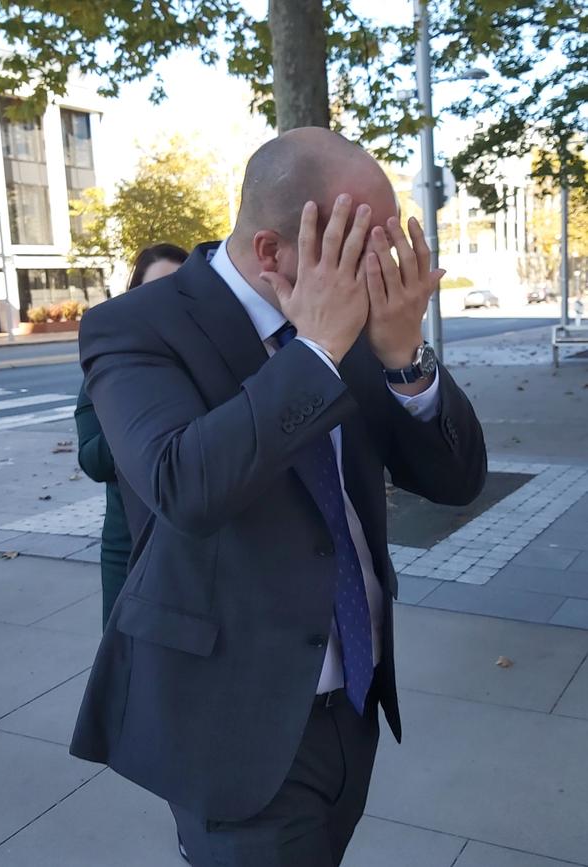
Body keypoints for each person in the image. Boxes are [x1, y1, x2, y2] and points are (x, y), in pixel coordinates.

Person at [70, 127, 486, 866]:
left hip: (352, 705)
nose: (381, 268)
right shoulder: (135, 326)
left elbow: (455, 481)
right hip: (236, 728)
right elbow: (183, 485)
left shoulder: (351, 319)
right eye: (360, 245)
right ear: (271, 252)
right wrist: (317, 352)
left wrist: (404, 358)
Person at [75, 243, 188, 629]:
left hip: (208, 553)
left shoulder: (215, 359)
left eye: (175, 291)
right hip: (132, 549)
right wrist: (138, 432)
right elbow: (91, 457)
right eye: (150, 293)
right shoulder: (112, 363)